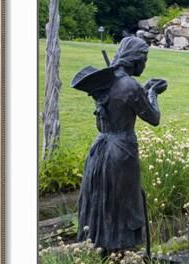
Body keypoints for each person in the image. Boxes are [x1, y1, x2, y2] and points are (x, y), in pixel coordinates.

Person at [72, 36, 167, 252]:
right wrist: (152, 93)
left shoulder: (104, 83)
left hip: (101, 148)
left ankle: (101, 247)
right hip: (122, 151)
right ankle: (121, 250)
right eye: (145, 58)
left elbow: (101, 122)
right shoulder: (130, 86)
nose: (145, 64)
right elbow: (154, 118)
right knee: (124, 202)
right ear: (136, 59)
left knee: (104, 199)